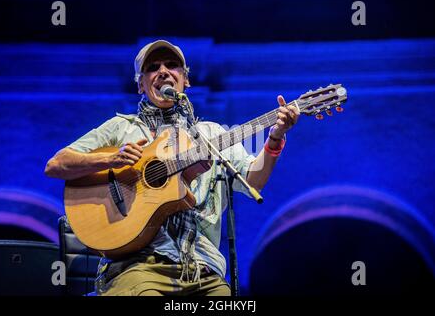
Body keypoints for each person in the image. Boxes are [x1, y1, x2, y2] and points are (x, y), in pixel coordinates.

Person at [45, 39, 300, 296]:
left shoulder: (211, 135)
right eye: (153, 67)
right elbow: (56, 165)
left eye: (172, 65)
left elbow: (253, 181)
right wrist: (112, 160)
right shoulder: (121, 128)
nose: (163, 71)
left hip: (203, 268)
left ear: (185, 80)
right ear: (140, 85)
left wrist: (275, 136)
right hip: (138, 266)